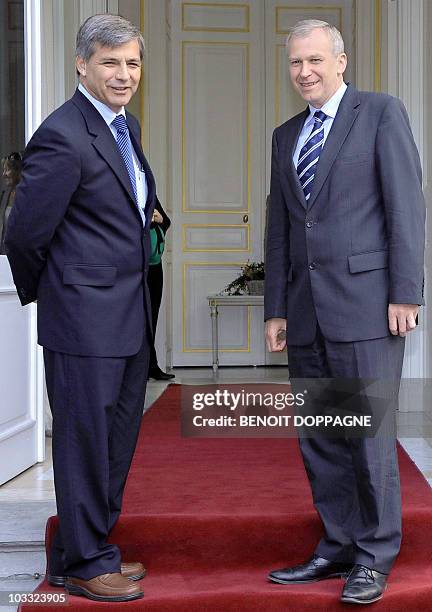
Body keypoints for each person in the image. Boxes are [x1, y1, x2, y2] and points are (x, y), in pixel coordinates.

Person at [264, 20, 425, 605]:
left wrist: (406, 291)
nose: (304, 72)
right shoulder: (286, 136)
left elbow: (406, 206)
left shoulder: (379, 113)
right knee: (323, 436)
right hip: (306, 314)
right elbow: (281, 227)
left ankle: (375, 554)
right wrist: (276, 307)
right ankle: (336, 544)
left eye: (314, 60)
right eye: (294, 63)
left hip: (367, 309)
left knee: (368, 436)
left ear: (340, 61)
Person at [5, 14, 157, 603]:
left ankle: (82, 550)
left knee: (115, 442)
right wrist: (63, 293)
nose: (124, 75)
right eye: (111, 63)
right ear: (82, 65)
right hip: (84, 323)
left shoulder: (125, 125)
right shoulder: (63, 133)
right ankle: (88, 563)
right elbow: (23, 232)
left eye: (133, 63)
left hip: (128, 317)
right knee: (83, 444)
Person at [147, 198, 174, 380]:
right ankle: (140, 367)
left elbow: (166, 221)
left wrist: (158, 220)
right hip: (134, 266)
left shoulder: (149, 190)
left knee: (152, 317)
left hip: (154, 267)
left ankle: (151, 365)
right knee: (136, 319)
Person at [0, 152, 22, 254]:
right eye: (3, 170)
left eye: (7, 170)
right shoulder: (4, 195)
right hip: (3, 253)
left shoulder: (26, 196)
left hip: (19, 255)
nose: (4, 174)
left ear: (18, 171)